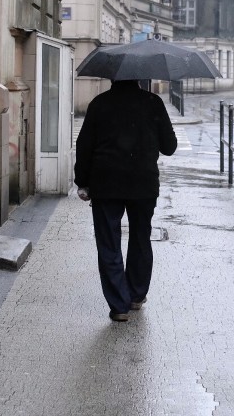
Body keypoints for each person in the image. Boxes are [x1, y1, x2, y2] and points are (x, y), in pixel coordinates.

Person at [74, 79, 178, 322]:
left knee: (108, 243)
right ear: (139, 78)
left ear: (113, 77)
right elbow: (170, 147)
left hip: (106, 183)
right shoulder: (153, 103)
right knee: (141, 238)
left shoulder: (99, 104)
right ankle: (136, 295)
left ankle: (119, 304)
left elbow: (84, 146)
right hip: (143, 184)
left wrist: (82, 181)